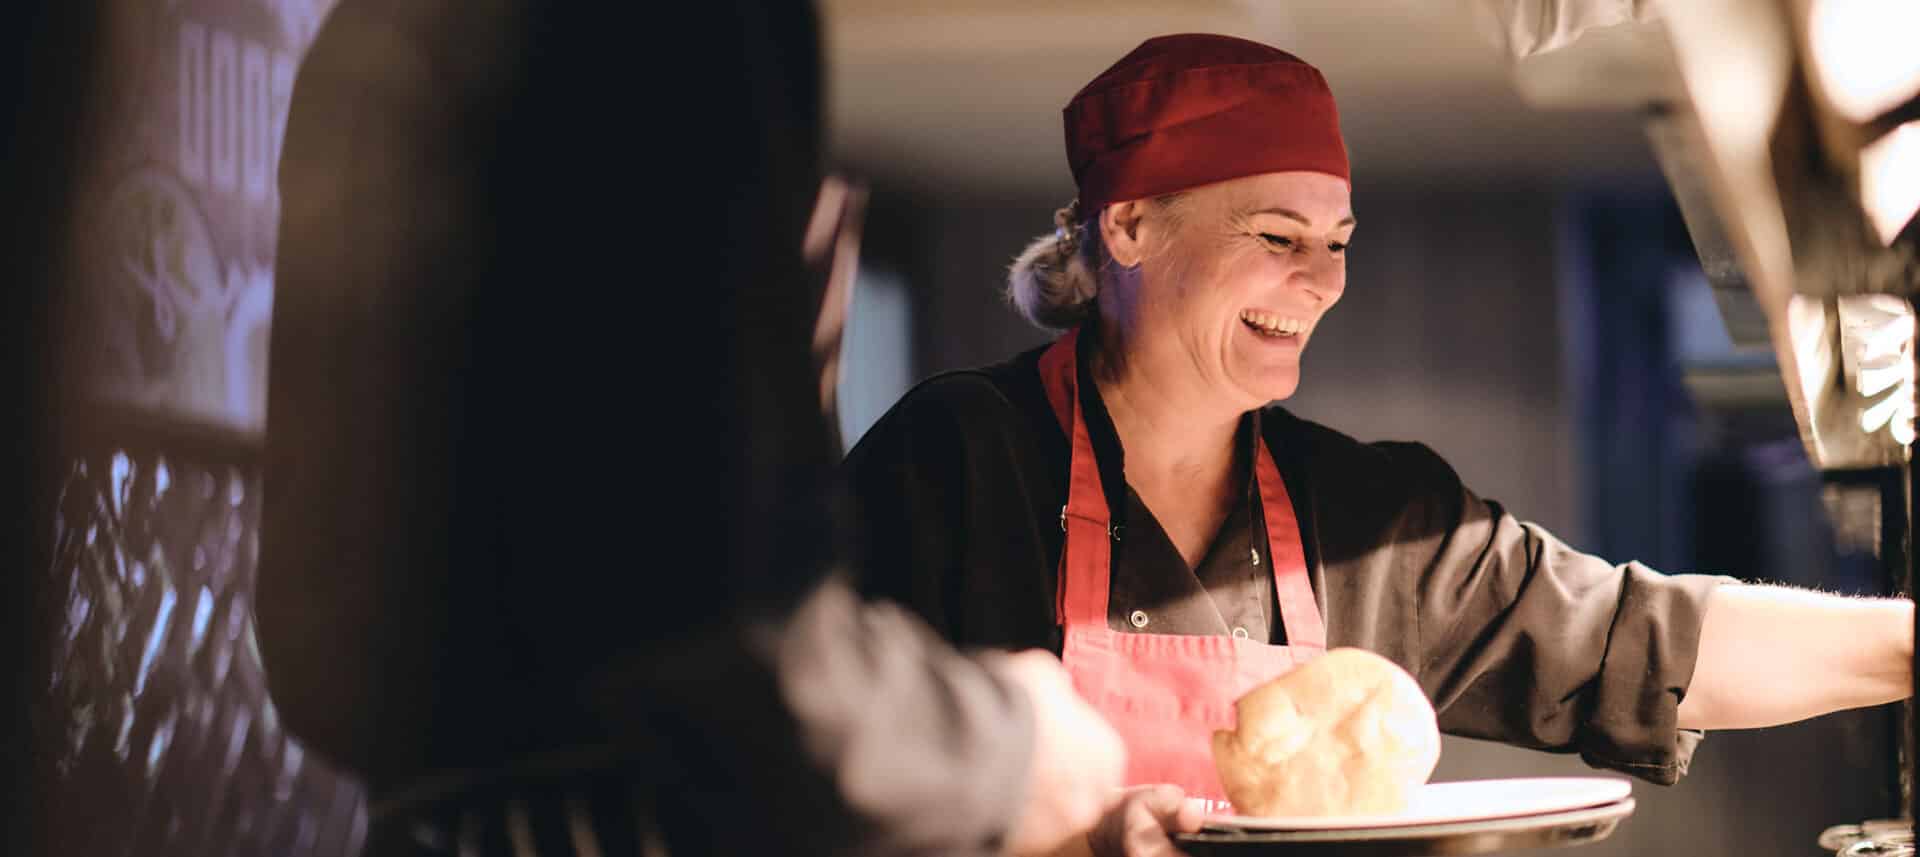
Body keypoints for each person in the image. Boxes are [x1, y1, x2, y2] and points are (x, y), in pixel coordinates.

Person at [841, 31, 1915, 845]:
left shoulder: (1369, 518)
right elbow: (797, 766)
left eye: (1338, 242)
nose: (1320, 281)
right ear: (1128, 224)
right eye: (1277, 236)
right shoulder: (952, 462)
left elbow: (1643, 638)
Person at [255, 2, 1147, 855]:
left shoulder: (377, 31)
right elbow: (727, 629)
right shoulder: (669, 28)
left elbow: (322, 651)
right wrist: (1006, 749)